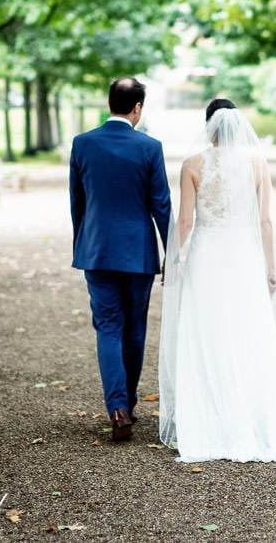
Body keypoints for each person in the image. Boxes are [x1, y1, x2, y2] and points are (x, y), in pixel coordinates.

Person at [159, 99, 276, 463]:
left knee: (207, 331)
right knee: (248, 332)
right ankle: (252, 419)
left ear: (208, 127)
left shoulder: (193, 164)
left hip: (207, 255)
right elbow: (265, 222)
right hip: (243, 256)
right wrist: (270, 267)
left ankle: (209, 419)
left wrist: (175, 258)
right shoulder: (256, 164)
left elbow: (185, 222)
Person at [70, 77, 171, 441]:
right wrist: (171, 254)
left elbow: (77, 202)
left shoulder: (82, 144)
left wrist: (84, 242)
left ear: (109, 102)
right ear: (137, 108)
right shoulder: (149, 147)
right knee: (135, 328)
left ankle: (117, 408)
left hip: (96, 251)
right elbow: (161, 204)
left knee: (108, 327)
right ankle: (126, 402)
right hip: (138, 254)